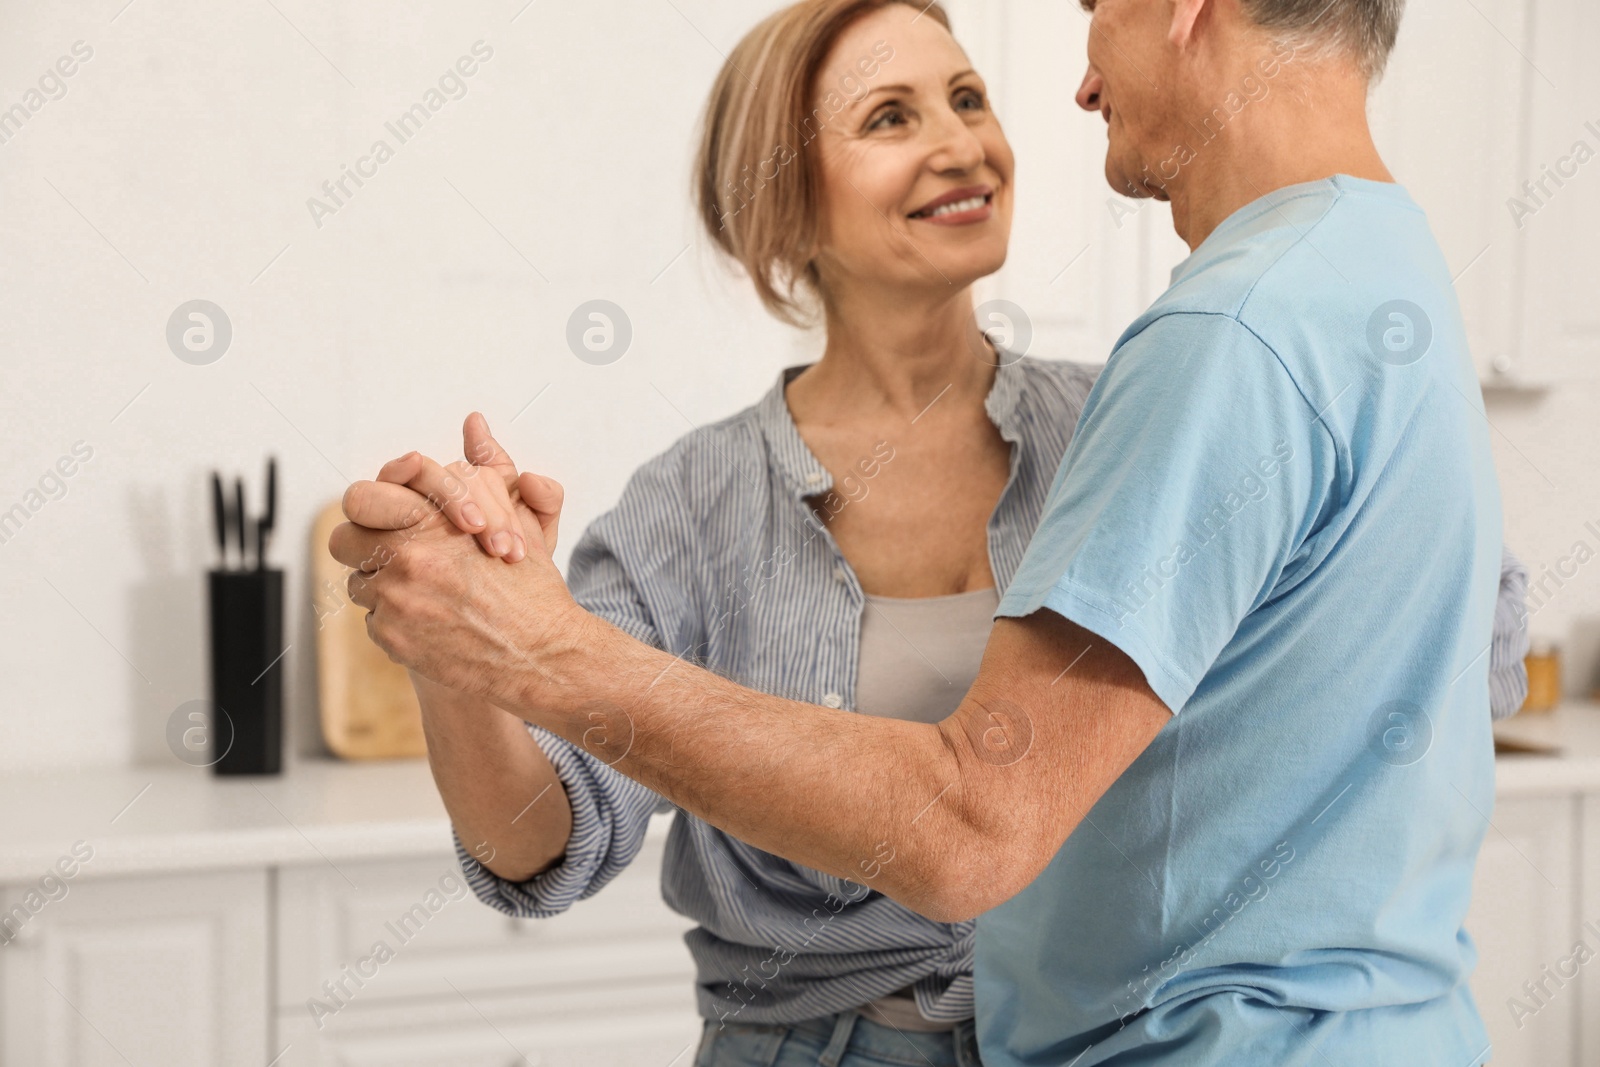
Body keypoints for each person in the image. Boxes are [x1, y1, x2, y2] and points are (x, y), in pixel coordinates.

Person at [334, 0, 1520, 1062]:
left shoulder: (1132, 411)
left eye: (966, 98)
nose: (960, 141)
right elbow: (544, 840)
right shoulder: (690, 504)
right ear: (782, 200)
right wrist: (466, 649)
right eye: (890, 117)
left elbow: (1460, 637)